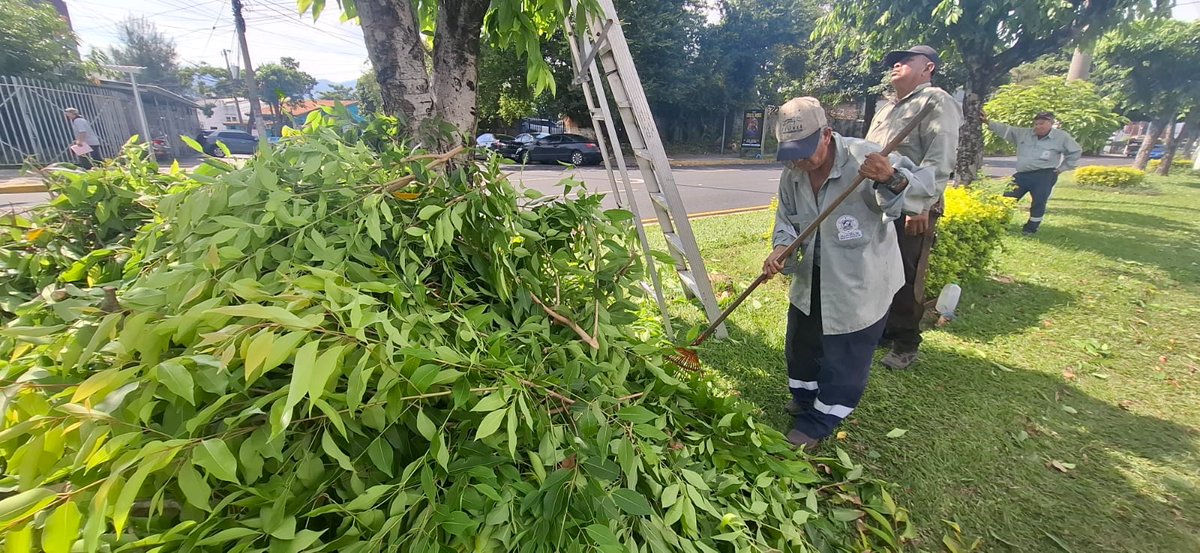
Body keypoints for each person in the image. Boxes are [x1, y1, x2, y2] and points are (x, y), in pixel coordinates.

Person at [764, 97, 935, 449]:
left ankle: (821, 419)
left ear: (827, 134)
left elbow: (922, 195)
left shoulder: (868, 159)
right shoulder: (793, 173)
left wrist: (891, 178)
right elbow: (786, 221)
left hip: (860, 279)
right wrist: (781, 249)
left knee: (845, 354)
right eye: (790, 151)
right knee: (801, 345)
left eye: (805, 149)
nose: (798, 160)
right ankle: (805, 398)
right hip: (813, 275)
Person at [865, 45, 961, 371]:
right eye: (894, 61)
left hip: (910, 203)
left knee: (906, 274)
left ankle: (906, 342)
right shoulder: (886, 108)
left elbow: (940, 157)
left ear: (928, 67)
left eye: (905, 60)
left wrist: (923, 205)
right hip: (879, 202)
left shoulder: (936, 101)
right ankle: (883, 330)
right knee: (877, 270)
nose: (896, 65)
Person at [986, 111, 1082, 234]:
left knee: (1039, 202)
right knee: (1008, 198)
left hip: (1044, 175)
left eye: (1042, 123)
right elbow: (1006, 130)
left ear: (1051, 123)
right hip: (1022, 174)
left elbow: (1075, 152)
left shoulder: (1061, 137)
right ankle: (1000, 224)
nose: (1038, 126)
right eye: (1036, 123)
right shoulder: (1024, 134)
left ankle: (1031, 228)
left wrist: (1061, 169)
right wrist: (987, 122)